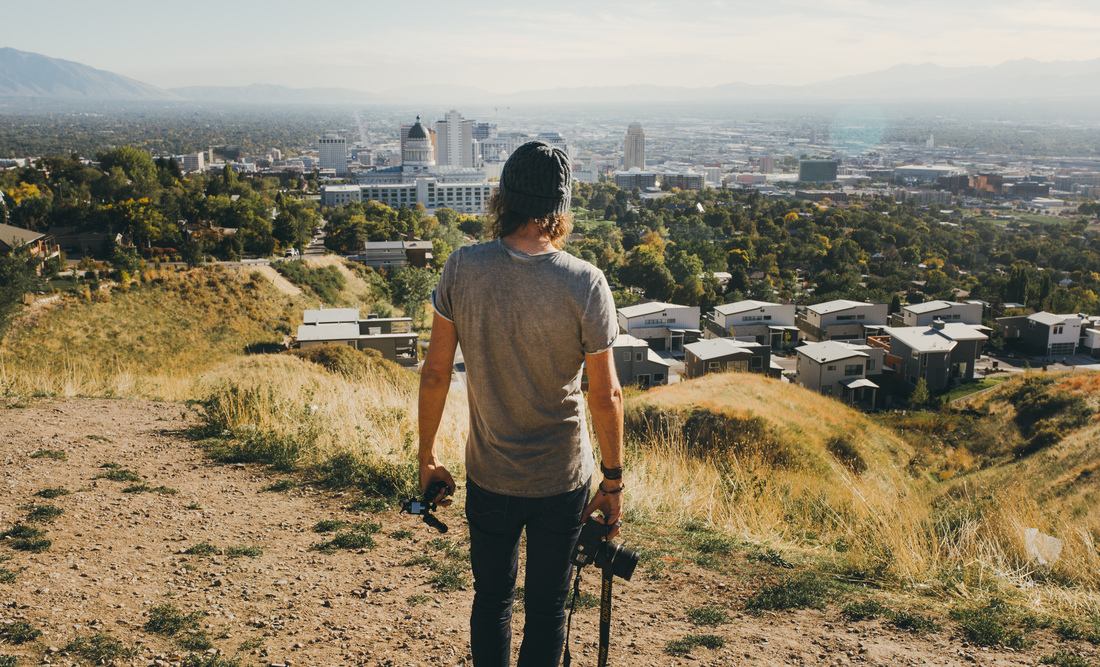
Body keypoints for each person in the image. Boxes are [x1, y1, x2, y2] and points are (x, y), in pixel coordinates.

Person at [417, 141, 625, 667]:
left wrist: (427, 458)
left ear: (503, 199)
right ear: (560, 208)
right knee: (549, 608)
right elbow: (606, 396)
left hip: (490, 473)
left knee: (491, 599)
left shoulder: (462, 268)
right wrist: (613, 482)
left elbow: (436, 372)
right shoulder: (585, 282)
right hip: (561, 477)